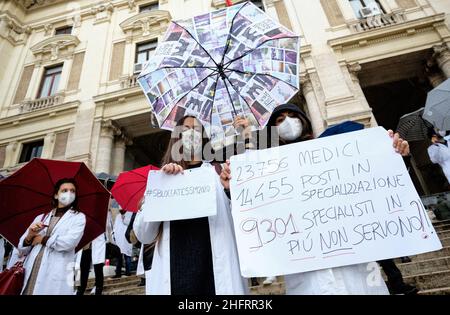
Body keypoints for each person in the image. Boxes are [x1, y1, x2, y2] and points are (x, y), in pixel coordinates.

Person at [220, 103, 410, 295]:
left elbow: (374, 182)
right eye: (280, 119)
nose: (287, 121)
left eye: (292, 115)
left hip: (358, 269)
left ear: (303, 121)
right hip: (308, 275)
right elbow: (256, 208)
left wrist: (398, 157)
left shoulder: (336, 152)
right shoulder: (268, 169)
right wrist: (232, 190)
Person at [133, 115, 248, 295]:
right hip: (176, 278)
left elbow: (244, 222)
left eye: (196, 129)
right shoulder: (162, 179)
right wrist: (160, 187)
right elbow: (144, 235)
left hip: (214, 278)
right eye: (185, 128)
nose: (191, 133)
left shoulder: (218, 175)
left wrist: (229, 191)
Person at [18, 178, 86, 295]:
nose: (69, 193)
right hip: (32, 269)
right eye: (64, 190)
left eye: (72, 191)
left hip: (56, 272)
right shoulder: (41, 217)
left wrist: (42, 239)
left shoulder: (78, 217)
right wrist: (30, 235)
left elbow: (68, 243)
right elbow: (21, 249)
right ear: (56, 195)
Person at [113, 209, 133, 278]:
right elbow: (115, 227)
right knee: (118, 256)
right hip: (119, 239)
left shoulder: (130, 214)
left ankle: (128, 272)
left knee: (127, 255)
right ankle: (118, 272)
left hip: (126, 239)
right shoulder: (118, 216)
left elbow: (128, 223)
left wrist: (123, 216)